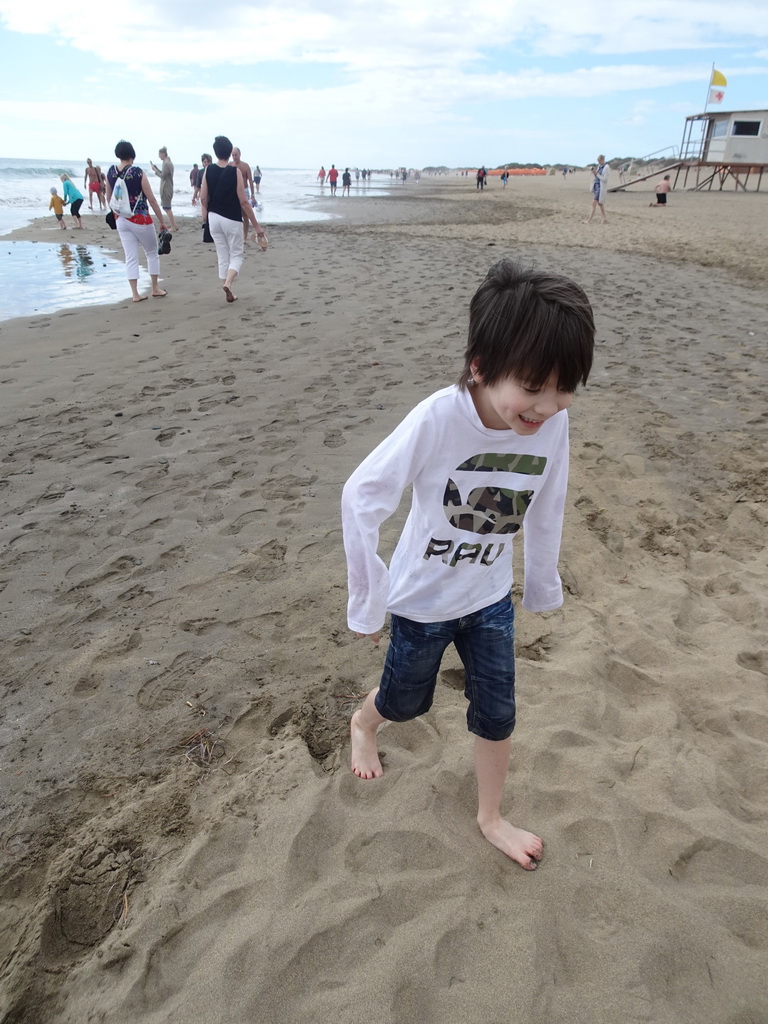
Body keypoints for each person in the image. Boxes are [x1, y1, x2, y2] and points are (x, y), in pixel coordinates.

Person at [342, 259, 595, 871]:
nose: (548, 405)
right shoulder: (438, 418)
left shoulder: (550, 426)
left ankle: (490, 816)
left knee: (498, 710)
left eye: (564, 389)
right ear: (481, 366)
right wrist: (369, 598)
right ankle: (362, 722)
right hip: (421, 599)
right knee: (405, 701)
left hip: (487, 596)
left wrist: (540, 586)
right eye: (533, 387)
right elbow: (362, 496)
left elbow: (547, 504)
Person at [200, 135, 267, 304]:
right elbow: (243, 200)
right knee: (236, 255)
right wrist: (256, 226)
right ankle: (228, 284)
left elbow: (202, 197)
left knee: (223, 256)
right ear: (230, 152)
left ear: (215, 153)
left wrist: (206, 215)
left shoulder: (208, 170)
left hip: (213, 217)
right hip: (232, 218)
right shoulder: (235, 171)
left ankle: (228, 290)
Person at [106, 140, 168, 302]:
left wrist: (115, 213)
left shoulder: (111, 172)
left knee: (131, 256)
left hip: (120, 218)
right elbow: (152, 199)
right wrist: (162, 221)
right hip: (140, 218)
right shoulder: (138, 172)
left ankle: (135, 293)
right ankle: (155, 288)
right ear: (132, 154)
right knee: (152, 252)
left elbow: (109, 197)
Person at [150, 147, 178, 231]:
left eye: (159, 155)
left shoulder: (166, 163)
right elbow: (164, 174)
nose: (159, 156)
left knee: (167, 208)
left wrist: (155, 170)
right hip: (167, 187)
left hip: (166, 188)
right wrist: (157, 169)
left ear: (163, 154)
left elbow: (163, 176)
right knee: (167, 207)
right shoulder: (167, 163)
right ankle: (174, 225)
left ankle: (173, 226)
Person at [586, 155, 610, 223]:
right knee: (600, 204)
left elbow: (605, 179)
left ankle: (589, 220)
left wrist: (597, 174)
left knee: (593, 203)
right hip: (596, 186)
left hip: (600, 187)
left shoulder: (606, 167)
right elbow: (597, 176)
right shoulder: (599, 166)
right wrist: (594, 173)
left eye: (599, 161)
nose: (599, 162)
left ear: (602, 160)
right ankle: (605, 219)